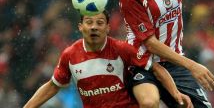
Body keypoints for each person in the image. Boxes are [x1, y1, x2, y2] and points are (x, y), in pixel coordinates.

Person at [23, 10, 193, 108]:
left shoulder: (122, 49)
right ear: (80, 27)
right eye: (89, 22)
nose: (94, 27)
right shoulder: (70, 55)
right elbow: (53, 86)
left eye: (99, 23)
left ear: (108, 27)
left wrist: (175, 92)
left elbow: (155, 68)